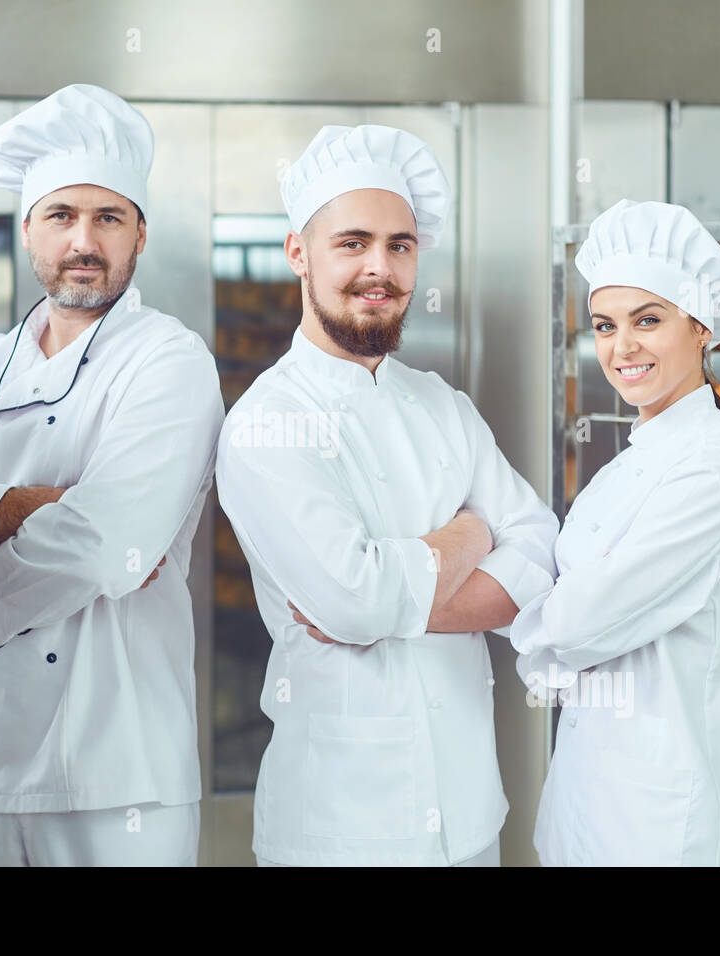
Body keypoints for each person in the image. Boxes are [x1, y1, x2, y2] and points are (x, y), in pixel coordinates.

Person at [0, 84, 223, 866]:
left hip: (117, 773)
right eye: (61, 216)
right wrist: (42, 504)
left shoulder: (170, 362)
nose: (83, 241)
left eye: (109, 218)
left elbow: (104, 544)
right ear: (28, 230)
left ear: (139, 236)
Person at [215, 124, 559, 866]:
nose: (381, 268)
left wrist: (387, 597)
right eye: (353, 243)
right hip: (342, 825)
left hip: (469, 816)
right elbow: (354, 602)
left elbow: (540, 553)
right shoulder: (266, 424)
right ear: (298, 254)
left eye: (400, 245)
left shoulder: (445, 407)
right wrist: (470, 538)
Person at [509, 198, 720, 866]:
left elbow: (576, 624)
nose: (621, 347)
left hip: (664, 822)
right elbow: (568, 602)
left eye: (647, 321)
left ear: (701, 327)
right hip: (590, 796)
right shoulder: (634, 460)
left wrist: (498, 587)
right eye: (603, 325)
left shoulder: (710, 472)